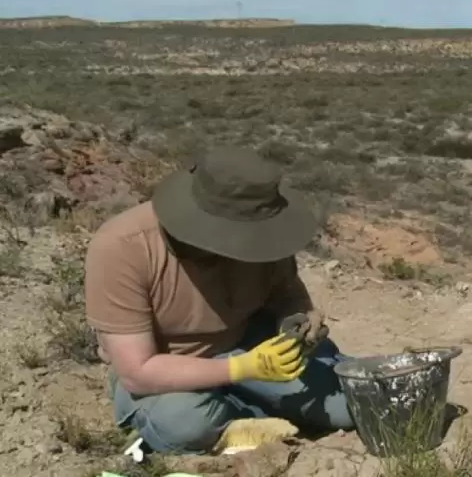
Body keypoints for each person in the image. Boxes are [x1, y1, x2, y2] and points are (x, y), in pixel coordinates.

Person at [84, 146, 354, 454]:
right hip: (170, 369)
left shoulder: (262, 233)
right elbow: (138, 371)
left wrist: (299, 320)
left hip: (249, 342)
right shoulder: (123, 247)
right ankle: (241, 414)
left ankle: (245, 408)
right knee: (184, 423)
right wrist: (241, 369)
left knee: (342, 408)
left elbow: (287, 293)